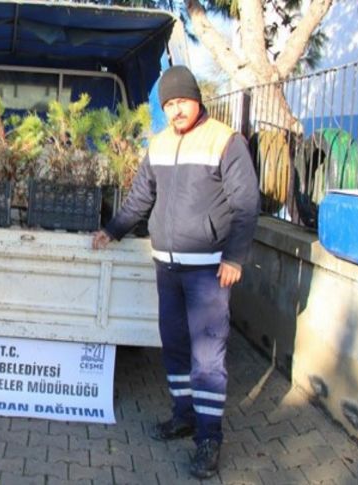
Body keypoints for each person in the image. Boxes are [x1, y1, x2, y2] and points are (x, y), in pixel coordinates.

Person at [92, 65, 259, 479]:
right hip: (166, 265)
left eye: (181, 101)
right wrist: (111, 230)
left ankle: (209, 438)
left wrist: (234, 257)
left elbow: (246, 203)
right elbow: (139, 198)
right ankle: (183, 415)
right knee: (175, 347)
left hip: (208, 272)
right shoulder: (160, 144)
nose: (175, 110)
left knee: (208, 357)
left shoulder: (225, 141)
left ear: (196, 99)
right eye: (168, 104)